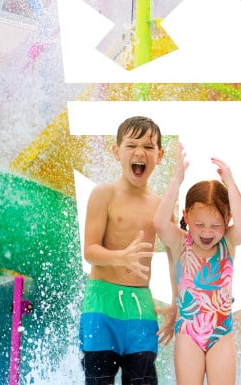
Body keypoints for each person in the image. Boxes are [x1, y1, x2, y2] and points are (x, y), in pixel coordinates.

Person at [78, 116, 177, 385]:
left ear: (160, 155)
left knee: (143, 379)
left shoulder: (161, 205)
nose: (140, 153)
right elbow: (89, 250)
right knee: (99, 379)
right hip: (101, 302)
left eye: (148, 147)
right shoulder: (104, 194)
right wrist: (121, 256)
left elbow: (173, 258)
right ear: (116, 151)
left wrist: (176, 301)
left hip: (140, 306)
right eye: (131, 145)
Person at [153, 143, 241, 385]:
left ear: (227, 220)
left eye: (216, 225)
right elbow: (158, 223)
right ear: (186, 216)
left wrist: (230, 181)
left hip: (221, 334)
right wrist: (177, 180)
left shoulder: (227, 244)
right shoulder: (180, 243)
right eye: (199, 225)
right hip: (188, 335)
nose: (207, 233)